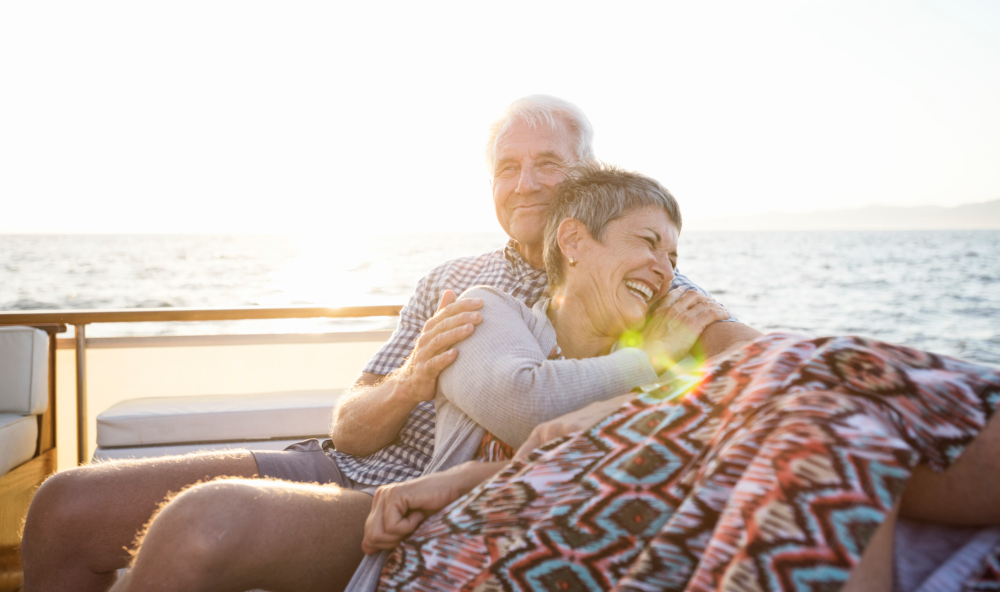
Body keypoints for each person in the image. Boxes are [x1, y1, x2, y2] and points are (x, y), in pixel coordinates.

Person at [21, 96, 756, 592]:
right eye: (507, 166)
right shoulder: (453, 276)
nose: (525, 183)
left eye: (548, 164)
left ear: (588, 180)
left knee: (203, 526)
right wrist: (411, 380)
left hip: (424, 497)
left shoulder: (641, 273)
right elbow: (349, 425)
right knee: (63, 503)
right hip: (341, 462)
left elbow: (746, 354)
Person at [352, 166, 1000, 592]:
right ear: (574, 242)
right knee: (801, 393)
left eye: (674, 256)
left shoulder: (667, 347)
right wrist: (651, 363)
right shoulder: (492, 307)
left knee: (811, 408)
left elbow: (765, 369)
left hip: (631, 506)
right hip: (495, 530)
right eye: (648, 242)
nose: (667, 269)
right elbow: (526, 410)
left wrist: (674, 359)